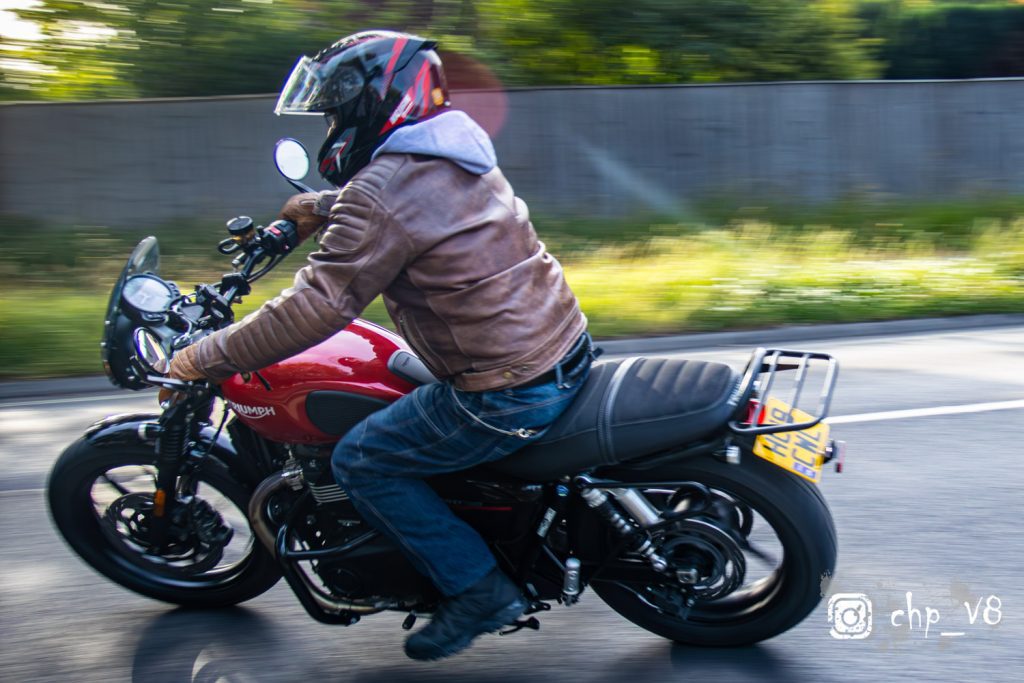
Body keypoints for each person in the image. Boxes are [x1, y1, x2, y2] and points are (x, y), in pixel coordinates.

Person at [168, 30, 591, 661]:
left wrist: (203, 356)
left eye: (336, 113)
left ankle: (479, 591)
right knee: (392, 383)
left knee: (363, 460)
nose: (332, 126)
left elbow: (317, 306)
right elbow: (413, 207)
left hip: (505, 388)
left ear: (372, 105)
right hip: (554, 344)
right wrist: (322, 207)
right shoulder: (456, 150)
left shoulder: (384, 189)